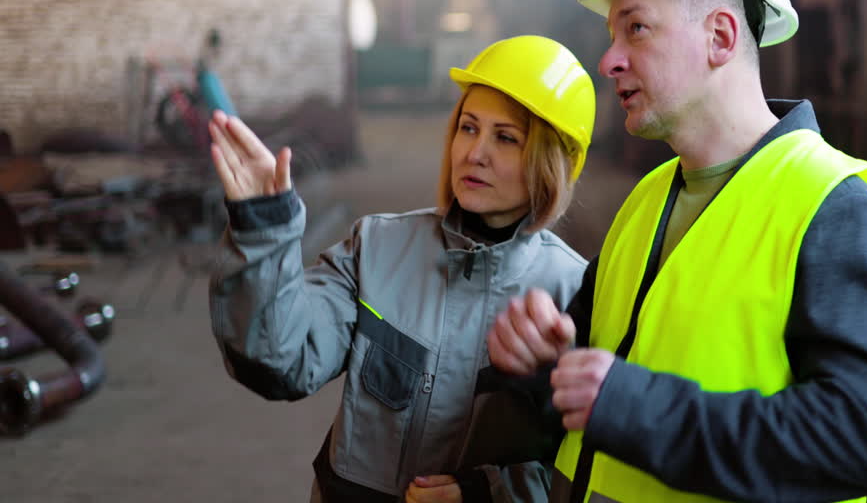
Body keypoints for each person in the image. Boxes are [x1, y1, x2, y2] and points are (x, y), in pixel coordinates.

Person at [486, 0, 867, 503]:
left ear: (719, 36)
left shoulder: (834, 208)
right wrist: (546, 363)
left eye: (635, 28)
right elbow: (603, 376)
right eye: (612, 34)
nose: (608, 59)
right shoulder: (649, 196)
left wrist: (637, 409)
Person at [207, 35, 596, 503]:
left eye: (506, 138)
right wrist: (263, 232)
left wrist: (483, 492)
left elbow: (580, 463)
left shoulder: (574, 291)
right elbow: (280, 358)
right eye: (468, 128)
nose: (475, 152)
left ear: (554, 162)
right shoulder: (376, 247)